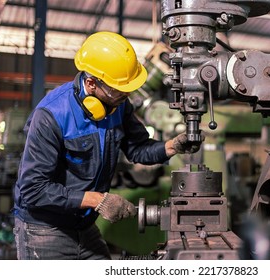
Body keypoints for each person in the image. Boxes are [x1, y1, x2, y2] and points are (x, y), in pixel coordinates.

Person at [12, 31, 203, 260]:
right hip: (44, 230)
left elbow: (137, 148)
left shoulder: (118, 104)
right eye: (119, 90)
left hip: (84, 225)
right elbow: (34, 190)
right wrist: (98, 200)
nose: (126, 95)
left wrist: (172, 146)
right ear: (91, 83)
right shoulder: (51, 115)